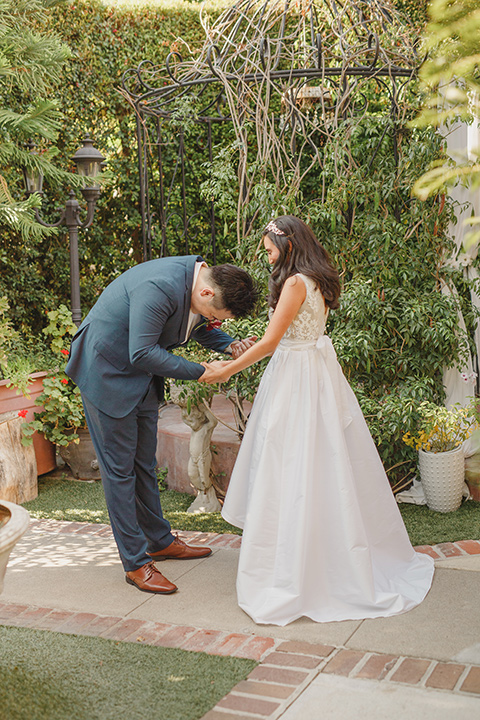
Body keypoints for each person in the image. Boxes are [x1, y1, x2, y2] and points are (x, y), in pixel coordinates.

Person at [201, 216, 434, 626]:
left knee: (287, 462)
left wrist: (227, 369)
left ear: (287, 244)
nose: (267, 255)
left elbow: (274, 341)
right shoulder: (315, 280)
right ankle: (315, 555)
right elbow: (288, 334)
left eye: (270, 248)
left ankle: (292, 569)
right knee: (317, 462)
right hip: (311, 373)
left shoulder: (294, 283)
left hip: (296, 376)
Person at [66, 256, 257, 595]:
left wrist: (228, 344)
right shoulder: (160, 287)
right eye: (215, 315)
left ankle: (159, 541)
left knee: (144, 463)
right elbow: (141, 352)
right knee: (119, 471)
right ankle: (136, 564)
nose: (212, 321)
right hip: (107, 373)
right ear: (206, 291)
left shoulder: (197, 284)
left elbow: (194, 325)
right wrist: (202, 370)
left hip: (138, 379)